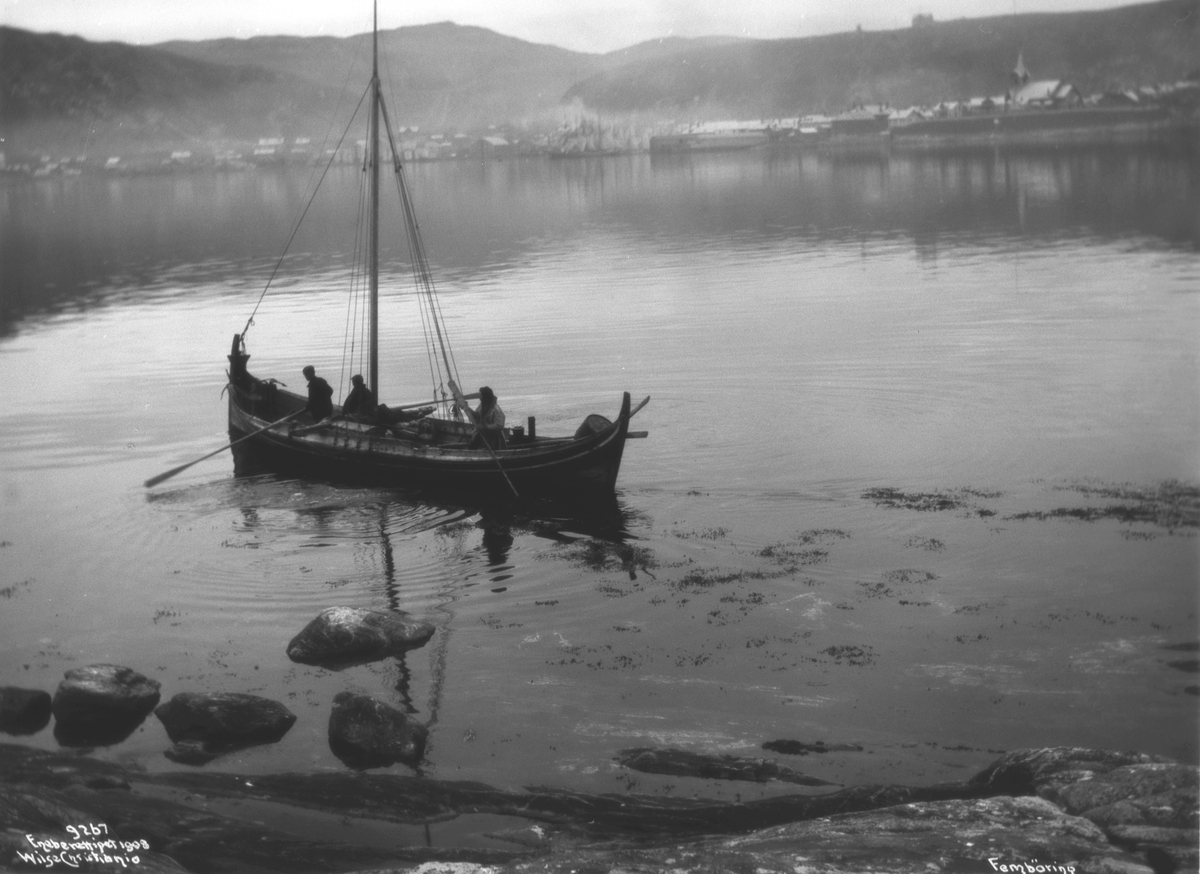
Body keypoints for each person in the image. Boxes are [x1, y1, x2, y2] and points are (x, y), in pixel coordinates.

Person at [468, 385, 506, 450]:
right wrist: (467, 408)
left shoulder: (496, 410)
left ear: (485, 397)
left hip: (494, 439)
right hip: (482, 435)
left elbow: (499, 425)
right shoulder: (481, 405)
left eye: (481, 396)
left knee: (491, 451)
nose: (479, 398)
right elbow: (476, 415)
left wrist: (484, 427)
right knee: (472, 447)